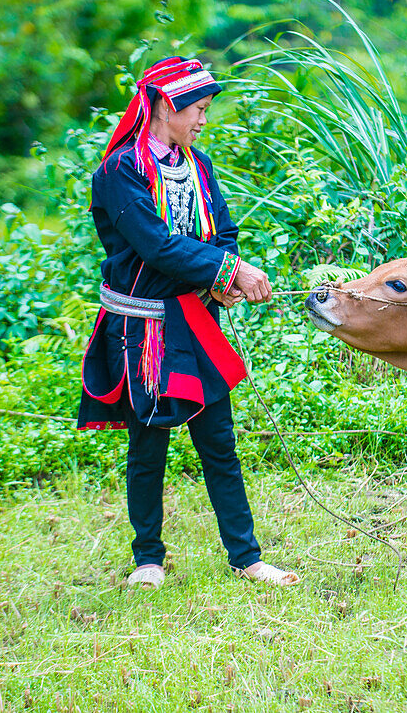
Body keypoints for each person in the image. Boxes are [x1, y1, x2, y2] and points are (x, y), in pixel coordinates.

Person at [77, 57, 299, 590]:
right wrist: (232, 270)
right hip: (144, 329)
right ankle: (148, 560)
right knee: (149, 443)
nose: (202, 120)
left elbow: (222, 229)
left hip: (195, 320)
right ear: (165, 105)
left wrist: (224, 272)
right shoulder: (119, 173)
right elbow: (155, 246)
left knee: (219, 441)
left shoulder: (197, 165)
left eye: (205, 110)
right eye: (198, 109)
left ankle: (247, 558)